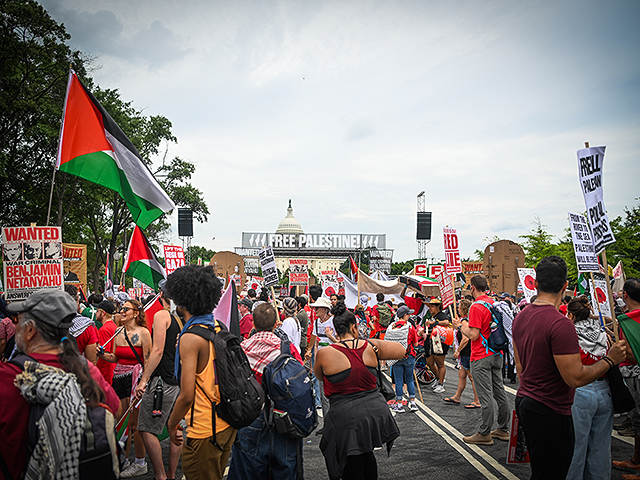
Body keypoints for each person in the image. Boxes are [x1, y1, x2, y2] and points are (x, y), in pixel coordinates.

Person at [512, 256, 627, 479]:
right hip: (550, 408)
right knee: (555, 471)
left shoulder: (522, 315)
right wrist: (610, 360)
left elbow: (520, 365)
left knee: (542, 470)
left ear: (535, 283)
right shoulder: (560, 323)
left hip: (527, 401)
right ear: (565, 285)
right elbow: (575, 378)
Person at [0, 289, 120, 480]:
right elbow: (115, 408)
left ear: (30, 330)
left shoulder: (7, 377)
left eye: (17, 321)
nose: (15, 328)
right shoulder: (86, 370)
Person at [315, 303, 404, 480]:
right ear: (354, 327)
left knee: (351, 460)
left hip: (345, 415)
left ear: (335, 329)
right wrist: (374, 346)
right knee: (366, 452)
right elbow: (401, 350)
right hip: (374, 412)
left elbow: (319, 376)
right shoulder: (370, 346)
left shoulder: (325, 353)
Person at [166, 265, 234, 480]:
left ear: (182, 299)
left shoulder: (191, 338)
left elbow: (187, 395)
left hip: (205, 428)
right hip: (226, 422)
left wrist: (171, 423)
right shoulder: (217, 326)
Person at [227, 303, 305, 480]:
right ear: (276, 323)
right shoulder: (287, 348)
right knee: (285, 469)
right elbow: (300, 377)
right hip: (282, 416)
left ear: (253, 324)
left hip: (251, 416)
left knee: (247, 471)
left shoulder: (241, 349)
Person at [97, 299, 152, 477]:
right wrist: (101, 354)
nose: (122, 311)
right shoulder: (118, 332)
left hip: (135, 380)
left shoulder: (144, 333)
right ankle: (123, 459)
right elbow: (114, 357)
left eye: (126, 309)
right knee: (120, 422)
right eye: (121, 309)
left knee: (135, 424)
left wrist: (143, 383)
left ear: (136, 313)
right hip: (118, 379)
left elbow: (148, 360)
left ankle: (140, 462)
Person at [453, 274, 510, 446]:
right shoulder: (493, 303)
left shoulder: (476, 307)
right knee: (500, 392)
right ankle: (503, 428)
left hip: (481, 355)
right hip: (497, 353)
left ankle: (485, 432)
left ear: (472, 288)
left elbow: (473, 334)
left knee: (485, 397)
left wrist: (460, 325)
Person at [134, 280, 182, 480]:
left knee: (145, 427)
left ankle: (161, 476)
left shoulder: (163, 315)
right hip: (180, 382)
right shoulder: (183, 318)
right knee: (175, 429)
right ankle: (171, 475)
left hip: (162, 382)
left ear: (161, 294)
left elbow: (158, 350)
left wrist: (144, 380)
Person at [565, 296, 614, 480]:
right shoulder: (604, 333)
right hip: (604, 390)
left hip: (580, 391)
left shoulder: (570, 335)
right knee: (601, 448)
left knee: (576, 447)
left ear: (571, 314)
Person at [613, 278, 640, 479]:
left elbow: (629, 354)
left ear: (625, 295)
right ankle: (636, 461)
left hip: (634, 375)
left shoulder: (627, 321)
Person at [444, 299, 481, 408]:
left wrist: (458, 351)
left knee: (471, 376)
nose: (458, 308)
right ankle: (457, 396)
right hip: (466, 352)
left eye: (459, 307)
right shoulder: (464, 320)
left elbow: (465, 338)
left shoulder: (464, 321)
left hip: (467, 352)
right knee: (462, 375)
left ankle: (477, 400)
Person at [309, 296, 338, 421]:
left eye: (317, 308)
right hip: (321, 359)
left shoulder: (333, 321)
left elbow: (339, 342)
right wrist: (314, 362)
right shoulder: (316, 322)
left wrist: (330, 337)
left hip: (332, 359)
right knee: (322, 391)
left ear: (325, 309)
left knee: (332, 390)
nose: (315, 310)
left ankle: (334, 421)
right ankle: (327, 422)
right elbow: (315, 343)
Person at [386, 305, 420, 413]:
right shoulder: (410, 327)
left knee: (399, 381)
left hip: (396, 356)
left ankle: (400, 405)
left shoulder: (391, 327)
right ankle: (413, 403)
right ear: (405, 315)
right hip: (409, 356)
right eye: (408, 314)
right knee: (409, 379)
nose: (409, 316)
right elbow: (415, 343)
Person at [65, 284, 99, 364]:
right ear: (75, 303)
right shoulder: (87, 327)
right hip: (78, 372)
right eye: (78, 300)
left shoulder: (44, 325)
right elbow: (91, 361)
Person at [423, 298, 451, 393]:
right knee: (429, 362)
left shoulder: (442, 315)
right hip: (429, 340)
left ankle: (441, 384)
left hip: (439, 342)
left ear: (438, 307)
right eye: (429, 306)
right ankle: (438, 378)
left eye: (432, 306)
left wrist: (435, 323)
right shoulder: (430, 316)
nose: (430, 308)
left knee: (440, 363)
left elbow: (447, 323)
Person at [95, 299, 119, 384]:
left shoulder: (104, 329)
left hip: (106, 372)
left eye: (97, 311)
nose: (95, 313)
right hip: (113, 369)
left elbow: (105, 354)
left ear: (103, 313)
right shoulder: (113, 326)